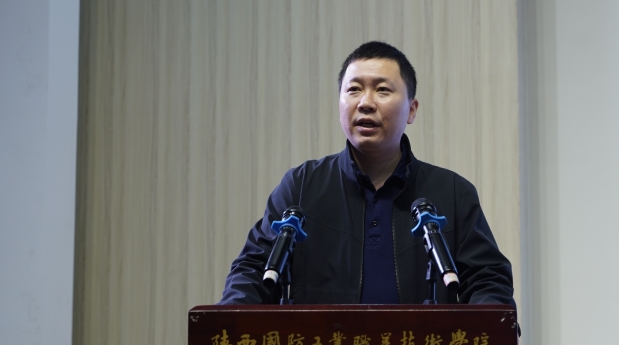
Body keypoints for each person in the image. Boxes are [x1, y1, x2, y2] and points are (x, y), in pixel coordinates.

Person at [219, 41, 514, 306]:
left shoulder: (452, 192)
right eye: (354, 90)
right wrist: (227, 323)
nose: (365, 103)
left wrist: (491, 325)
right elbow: (253, 271)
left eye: (383, 90)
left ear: (412, 110)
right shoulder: (302, 186)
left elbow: (487, 280)